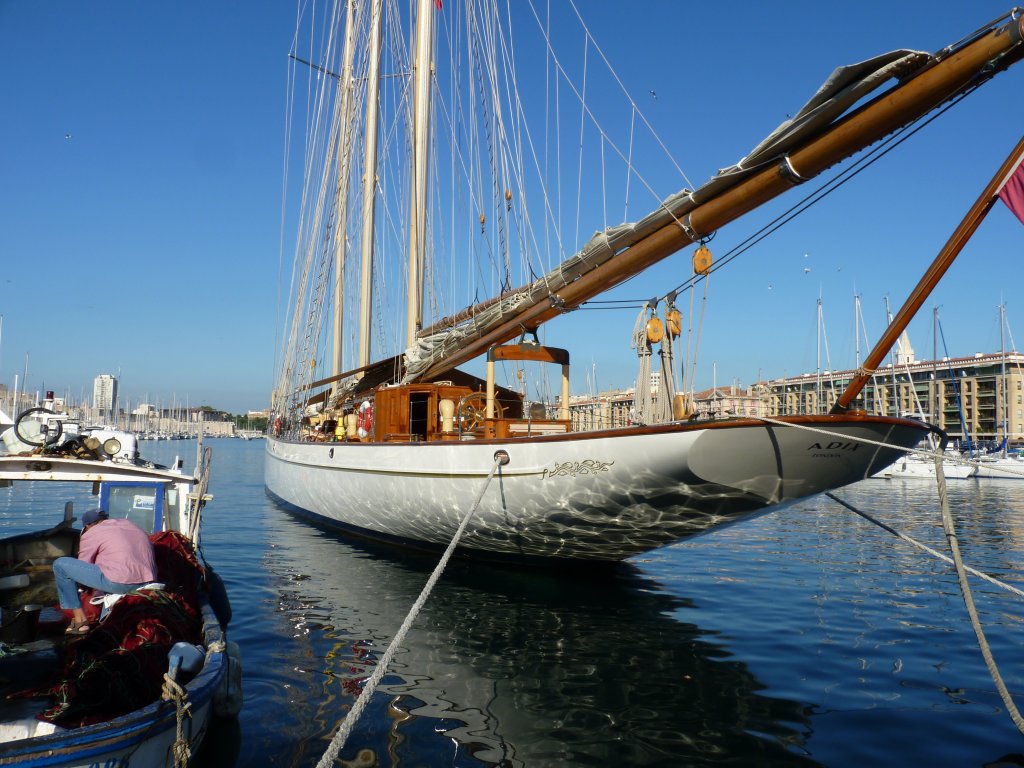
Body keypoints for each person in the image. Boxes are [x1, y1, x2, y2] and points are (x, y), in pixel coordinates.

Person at [52, 509, 158, 635]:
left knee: (60, 565)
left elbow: (84, 565)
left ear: (87, 526)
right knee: (112, 570)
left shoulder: (91, 533)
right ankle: (105, 619)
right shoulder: (129, 524)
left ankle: (80, 621)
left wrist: (81, 589)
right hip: (149, 580)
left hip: (120, 583)